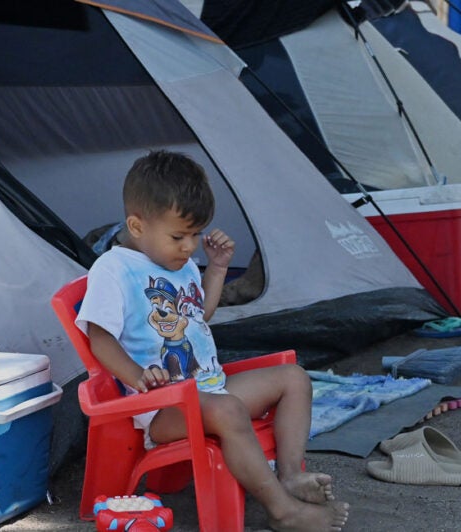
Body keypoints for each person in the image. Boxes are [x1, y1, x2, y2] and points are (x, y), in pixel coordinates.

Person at [76, 150, 349, 531]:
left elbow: (198, 315)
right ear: (137, 226)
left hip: (210, 389)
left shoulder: (180, 262)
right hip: (161, 407)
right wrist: (139, 376)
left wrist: (217, 268)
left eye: (195, 234)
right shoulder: (115, 268)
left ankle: (289, 475)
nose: (189, 246)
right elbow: (99, 338)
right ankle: (283, 511)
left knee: (294, 378)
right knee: (229, 411)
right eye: (178, 236)